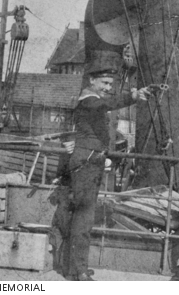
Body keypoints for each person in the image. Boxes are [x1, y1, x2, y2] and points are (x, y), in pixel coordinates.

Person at [54, 61, 151, 281]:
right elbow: (105, 105)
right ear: (91, 80)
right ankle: (77, 270)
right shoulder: (89, 100)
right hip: (86, 164)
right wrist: (133, 96)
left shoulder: (93, 100)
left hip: (92, 162)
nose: (108, 87)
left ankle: (76, 267)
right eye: (104, 83)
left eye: (110, 84)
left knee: (84, 217)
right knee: (84, 217)